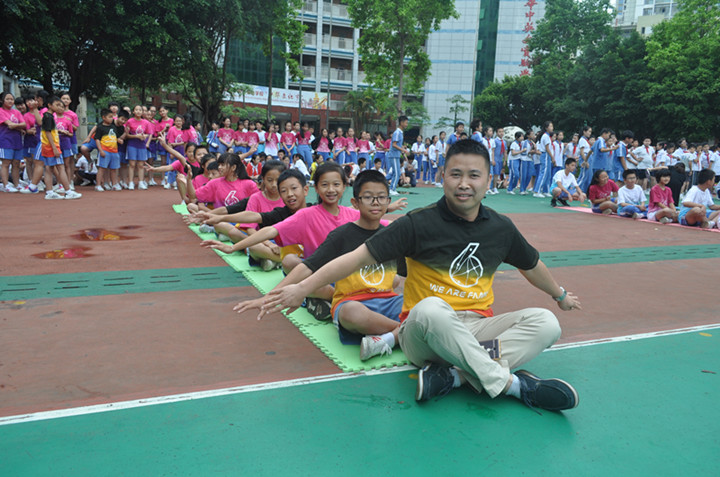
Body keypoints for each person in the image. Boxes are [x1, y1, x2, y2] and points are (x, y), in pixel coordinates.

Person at [260, 139, 581, 412]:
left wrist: (560, 295)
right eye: (455, 174)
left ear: (489, 180)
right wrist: (301, 288)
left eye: (474, 175)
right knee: (431, 307)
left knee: (546, 323)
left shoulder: (501, 228)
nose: (464, 183)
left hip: (475, 328)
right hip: (422, 333)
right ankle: (514, 386)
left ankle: (454, 376)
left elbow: (531, 265)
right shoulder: (417, 223)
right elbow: (354, 258)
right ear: (442, 176)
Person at [235, 170, 407, 361]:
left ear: (388, 201)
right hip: (353, 301)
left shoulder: (390, 236)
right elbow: (308, 266)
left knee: (421, 305)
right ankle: (405, 333)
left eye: (381, 197)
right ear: (355, 203)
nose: (375, 202)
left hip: (388, 299)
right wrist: (268, 297)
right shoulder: (341, 234)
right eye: (368, 197)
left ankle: (390, 337)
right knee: (351, 313)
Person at [34, 96, 81, 199]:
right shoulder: (48, 117)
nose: (60, 107)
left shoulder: (48, 116)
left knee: (49, 169)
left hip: (47, 146)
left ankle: (49, 192)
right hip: (51, 146)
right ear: (50, 105)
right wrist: (54, 148)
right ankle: (68, 191)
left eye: (61, 105)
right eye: (57, 105)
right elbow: (48, 133)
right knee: (61, 167)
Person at [93, 108, 126, 192]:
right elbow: (97, 139)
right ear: (104, 117)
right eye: (110, 117)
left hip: (114, 151)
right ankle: (98, 185)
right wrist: (100, 150)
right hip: (105, 150)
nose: (112, 119)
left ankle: (114, 184)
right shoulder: (100, 127)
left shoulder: (113, 127)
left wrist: (119, 140)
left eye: (112, 117)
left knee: (114, 169)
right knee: (102, 168)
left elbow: (115, 137)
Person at [0, 92, 26, 192]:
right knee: (6, 163)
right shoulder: (1, 111)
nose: (10, 101)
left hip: (17, 141)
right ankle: (6, 185)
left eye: (11, 99)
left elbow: (24, 124)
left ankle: (17, 184)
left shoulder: (16, 112)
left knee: (16, 163)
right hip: (5, 141)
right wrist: (19, 127)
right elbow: (9, 124)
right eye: (7, 99)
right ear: (2, 100)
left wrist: (16, 126)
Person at [387, 116, 409, 196]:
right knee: (397, 173)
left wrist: (402, 148)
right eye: (406, 123)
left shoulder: (400, 133)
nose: (406, 124)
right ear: (401, 122)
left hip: (396, 155)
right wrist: (403, 150)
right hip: (393, 155)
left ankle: (381, 182)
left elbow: (397, 145)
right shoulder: (397, 133)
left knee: (394, 173)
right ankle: (392, 189)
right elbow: (394, 145)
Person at [533, 121, 554, 198]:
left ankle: (545, 190)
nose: (552, 128)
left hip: (547, 156)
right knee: (543, 173)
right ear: (546, 128)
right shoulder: (545, 136)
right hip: (545, 155)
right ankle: (537, 191)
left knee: (548, 174)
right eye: (550, 126)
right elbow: (547, 148)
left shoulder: (548, 136)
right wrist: (552, 157)